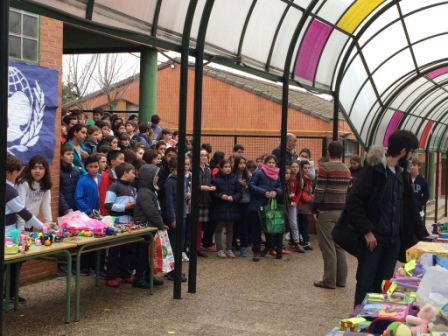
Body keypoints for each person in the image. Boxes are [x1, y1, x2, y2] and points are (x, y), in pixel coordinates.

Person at [334, 131, 429, 305]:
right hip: (374, 241)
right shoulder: (374, 171)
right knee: (365, 283)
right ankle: (359, 323)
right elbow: (354, 202)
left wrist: (425, 238)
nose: (413, 155)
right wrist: (367, 231)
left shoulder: (402, 174)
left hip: (393, 241)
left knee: (384, 285)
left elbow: (409, 210)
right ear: (403, 151)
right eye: (412, 151)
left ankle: (376, 320)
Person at [5, 154, 49, 304]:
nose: (17, 176)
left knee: (15, 264)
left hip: (14, 232)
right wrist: (43, 227)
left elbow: (44, 206)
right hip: (10, 234)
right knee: (9, 265)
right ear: (10, 172)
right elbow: (23, 212)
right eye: (17, 172)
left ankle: (10, 294)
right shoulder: (10, 191)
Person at [312, 141, 351, 290]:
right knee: (339, 245)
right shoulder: (346, 169)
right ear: (341, 153)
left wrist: (314, 208)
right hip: (341, 211)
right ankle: (341, 280)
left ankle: (328, 281)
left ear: (328, 152)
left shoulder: (325, 168)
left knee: (327, 245)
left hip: (326, 211)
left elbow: (320, 190)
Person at [104, 162, 137, 287]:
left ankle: (126, 273)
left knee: (127, 250)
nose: (134, 175)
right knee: (114, 250)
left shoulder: (133, 188)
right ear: (125, 173)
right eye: (132, 172)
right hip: (116, 223)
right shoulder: (115, 186)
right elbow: (108, 204)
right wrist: (124, 206)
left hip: (129, 223)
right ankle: (110, 276)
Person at [133, 164, 166, 288]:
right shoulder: (144, 193)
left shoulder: (150, 191)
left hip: (150, 227)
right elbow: (151, 211)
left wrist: (160, 223)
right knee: (142, 255)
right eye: (155, 176)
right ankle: (139, 278)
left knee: (148, 255)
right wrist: (160, 224)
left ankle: (148, 275)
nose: (157, 178)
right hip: (144, 228)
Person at [248, 154, 283, 262]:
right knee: (256, 229)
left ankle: (268, 247)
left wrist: (275, 192)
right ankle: (256, 251)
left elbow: (280, 188)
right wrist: (264, 193)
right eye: (269, 162)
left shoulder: (277, 175)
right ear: (265, 163)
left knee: (270, 229)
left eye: (273, 163)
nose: (271, 164)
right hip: (257, 205)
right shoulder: (258, 173)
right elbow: (251, 186)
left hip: (270, 206)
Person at [162, 157, 187, 282]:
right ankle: (172, 271)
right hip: (175, 217)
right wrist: (172, 218)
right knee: (173, 245)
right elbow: (169, 202)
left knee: (180, 244)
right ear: (173, 169)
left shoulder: (180, 180)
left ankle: (176, 270)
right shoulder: (170, 182)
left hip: (182, 215)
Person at [212, 160, 242, 258]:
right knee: (218, 229)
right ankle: (220, 249)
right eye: (225, 166)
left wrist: (234, 197)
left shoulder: (235, 179)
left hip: (232, 207)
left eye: (229, 166)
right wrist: (221, 196)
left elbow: (239, 193)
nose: (228, 168)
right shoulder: (216, 180)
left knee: (230, 229)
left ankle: (229, 249)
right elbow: (213, 193)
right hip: (220, 207)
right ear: (221, 168)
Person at [16, 155, 53, 229]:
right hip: (18, 224)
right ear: (29, 169)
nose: (37, 171)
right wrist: (21, 229)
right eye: (34, 168)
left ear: (45, 171)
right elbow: (20, 208)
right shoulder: (23, 183)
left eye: (41, 168)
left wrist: (49, 223)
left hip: (30, 223)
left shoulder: (45, 184)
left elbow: (46, 205)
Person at [197, 149, 215, 258]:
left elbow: (210, 182)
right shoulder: (193, 169)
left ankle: (198, 247)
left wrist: (212, 187)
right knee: (195, 226)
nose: (204, 157)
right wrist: (201, 187)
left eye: (205, 156)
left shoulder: (208, 170)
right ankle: (193, 247)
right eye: (201, 155)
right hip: (196, 200)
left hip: (205, 200)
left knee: (200, 226)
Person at [233, 155, 251, 257]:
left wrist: (245, 186)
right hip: (235, 203)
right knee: (235, 224)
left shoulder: (249, 175)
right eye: (240, 163)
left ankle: (244, 246)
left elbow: (251, 190)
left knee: (244, 225)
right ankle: (233, 245)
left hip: (245, 202)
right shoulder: (233, 175)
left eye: (244, 163)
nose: (242, 165)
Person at [99, 150, 125, 216]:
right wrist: (105, 213)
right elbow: (103, 196)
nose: (123, 162)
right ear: (112, 162)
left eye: (123, 159)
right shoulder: (106, 176)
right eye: (121, 159)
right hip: (109, 213)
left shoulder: (123, 175)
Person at [287, 161, 305, 253]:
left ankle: (297, 242)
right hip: (285, 202)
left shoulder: (300, 179)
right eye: (293, 167)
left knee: (293, 223)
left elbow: (299, 192)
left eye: (296, 167)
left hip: (293, 204)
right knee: (283, 222)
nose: (295, 168)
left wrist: (295, 201)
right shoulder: (287, 177)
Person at [59, 144, 80, 216]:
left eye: (72, 154)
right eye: (68, 154)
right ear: (61, 156)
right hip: (63, 210)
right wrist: (65, 208)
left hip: (75, 207)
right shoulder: (59, 172)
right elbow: (59, 192)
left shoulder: (76, 171)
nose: (71, 156)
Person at [298, 160, 313, 251]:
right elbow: (302, 193)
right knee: (303, 222)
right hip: (301, 205)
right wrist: (311, 198)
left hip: (306, 205)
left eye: (308, 168)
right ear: (301, 168)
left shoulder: (308, 179)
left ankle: (304, 241)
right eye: (305, 168)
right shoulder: (301, 179)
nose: (307, 170)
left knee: (304, 222)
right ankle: (303, 241)